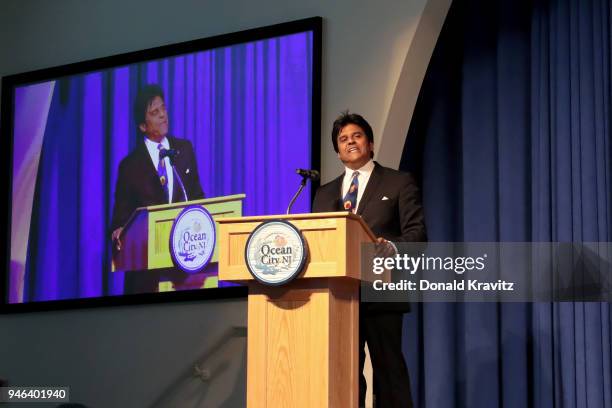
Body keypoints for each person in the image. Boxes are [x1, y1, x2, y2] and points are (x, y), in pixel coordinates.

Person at [312, 111, 426, 407]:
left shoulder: (398, 182)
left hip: (382, 289)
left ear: (371, 144)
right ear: (337, 151)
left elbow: (418, 234)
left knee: (388, 370)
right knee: (344, 371)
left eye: (357, 136)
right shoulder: (324, 194)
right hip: (337, 294)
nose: (350, 142)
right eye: (343, 139)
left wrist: (393, 246)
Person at [110, 84, 204, 293]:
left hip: (186, 273)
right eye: (155, 112)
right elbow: (120, 221)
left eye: (164, 108)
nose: (163, 116)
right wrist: (118, 232)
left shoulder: (184, 150)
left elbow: (197, 198)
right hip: (146, 278)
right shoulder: (130, 166)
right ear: (143, 126)